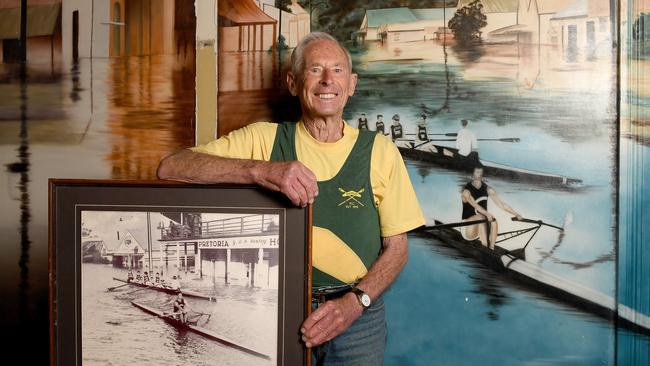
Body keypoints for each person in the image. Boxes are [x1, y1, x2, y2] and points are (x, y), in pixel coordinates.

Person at [157, 32, 425, 364]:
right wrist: (259, 171)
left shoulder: (380, 151)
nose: (328, 80)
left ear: (352, 84)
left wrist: (354, 304)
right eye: (315, 69)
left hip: (357, 318)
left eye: (338, 70)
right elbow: (172, 167)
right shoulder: (263, 139)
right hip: (279, 310)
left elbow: (397, 250)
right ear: (293, 83)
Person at [461, 165, 523, 249]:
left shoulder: (488, 189)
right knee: (481, 217)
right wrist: (487, 214)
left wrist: (516, 214)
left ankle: (491, 247)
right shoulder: (466, 191)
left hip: (482, 227)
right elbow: (475, 205)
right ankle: (485, 246)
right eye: (477, 172)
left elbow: (501, 204)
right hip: (467, 229)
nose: (480, 174)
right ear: (472, 175)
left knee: (493, 220)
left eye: (481, 172)